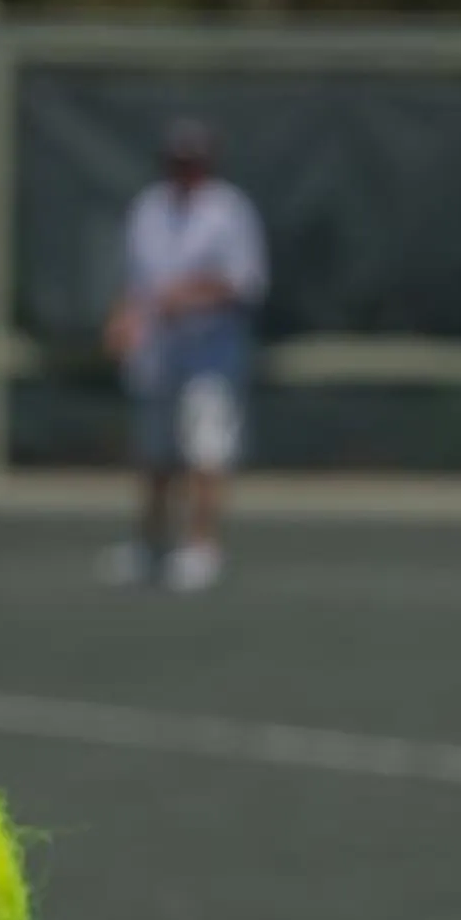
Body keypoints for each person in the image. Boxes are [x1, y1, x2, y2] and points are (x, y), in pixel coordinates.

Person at [102, 119, 268, 592]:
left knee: (205, 449)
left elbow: (244, 281)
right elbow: (135, 281)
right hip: (158, 350)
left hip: (211, 351)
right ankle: (150, 543)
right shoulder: (148, 209)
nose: (186, 172)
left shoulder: (230, 210)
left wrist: (188, 295)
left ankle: (201, 547)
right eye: (179, 163)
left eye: (194, 163)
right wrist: (125, 318)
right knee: (155, 452)